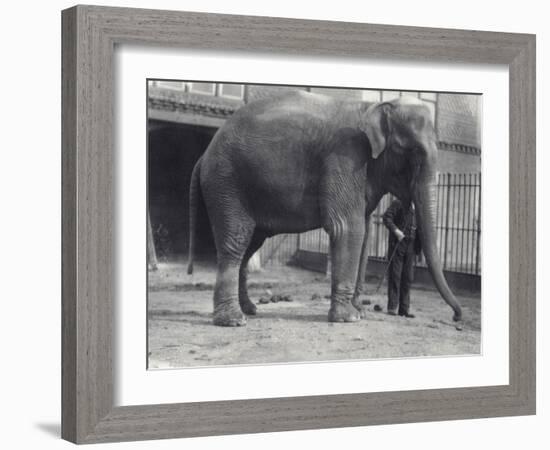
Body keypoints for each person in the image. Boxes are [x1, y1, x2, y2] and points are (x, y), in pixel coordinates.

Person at [382, 199, 422, 318]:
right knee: (395, 275)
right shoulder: (399, 202)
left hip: (411, 245)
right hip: (398, 243)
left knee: (408, 277)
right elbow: (386, 217)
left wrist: (418, 248)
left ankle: (404, 309)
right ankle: (392, 307)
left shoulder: (420, 207)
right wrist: (396, 231)